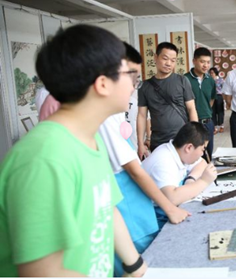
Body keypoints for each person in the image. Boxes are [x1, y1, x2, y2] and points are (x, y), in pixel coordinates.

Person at [0, 25, 147, 277]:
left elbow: (107, 208)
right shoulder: (44, 158)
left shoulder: (89, 139)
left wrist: (136, 267)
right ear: (103, 84)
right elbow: (42, 273)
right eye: (130, 75)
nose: (134, 85)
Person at [98, 42, 191, 276]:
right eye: (130, 78)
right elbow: (135, 172)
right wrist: (170, 208)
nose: (133, 87)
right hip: (130, 207)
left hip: (129, 209)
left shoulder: (110, 117)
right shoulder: (107, 120)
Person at [143, 122, 217, 226]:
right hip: (151, 221)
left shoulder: (179, 151)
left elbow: (202, 163)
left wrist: (191, 179)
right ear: (189, 147)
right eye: (202, 149)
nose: (202, 154)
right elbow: (172, 198)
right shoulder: (164, 161)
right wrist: (203, 181)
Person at [137, 42, 198, 158]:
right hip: (158, 142)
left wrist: (195, 136)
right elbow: (141, 115)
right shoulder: (145, 86)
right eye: (165, 58)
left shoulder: (182, 80)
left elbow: (191, 109)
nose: (169, 63)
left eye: (173, 60)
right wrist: (140, 143)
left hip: (182, 139)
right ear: (155, 57)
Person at [185, 47, 216, 160]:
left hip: (208, 123)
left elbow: (211, 99)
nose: (205, 65)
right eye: (202, 61)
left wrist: (205, 112)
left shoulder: (210, 80)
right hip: (191, 124)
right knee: (193, 157)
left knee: (208, 155)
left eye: (208, 62)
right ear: (194, 61)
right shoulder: (185, 79)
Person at [210, 67, 225, 134]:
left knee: (220, 112)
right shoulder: (208, 80)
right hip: (211, 98)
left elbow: (224, 90)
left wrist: (224, 99)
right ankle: (215, 128)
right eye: (210, 73)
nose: (211, 74)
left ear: (215, 73)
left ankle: (221, 126)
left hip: (219, 96)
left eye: (212, 72)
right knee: (213, 112)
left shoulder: (221, 80)